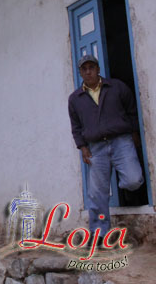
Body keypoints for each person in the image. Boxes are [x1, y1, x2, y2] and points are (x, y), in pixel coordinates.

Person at [68, 55, 144, 238]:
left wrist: (134, 132)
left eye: (91, 67)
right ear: (80, 72)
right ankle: (99, 233)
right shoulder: (75, 99)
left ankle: (124, 187)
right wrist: (83, 147)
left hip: (121, 141)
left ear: (98, 69)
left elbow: (132, 110)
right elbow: (76, 127)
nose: (88, 71)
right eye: (84, 69)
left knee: (133, 180)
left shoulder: (116, 87)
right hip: (96, 148)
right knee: (96, 193)